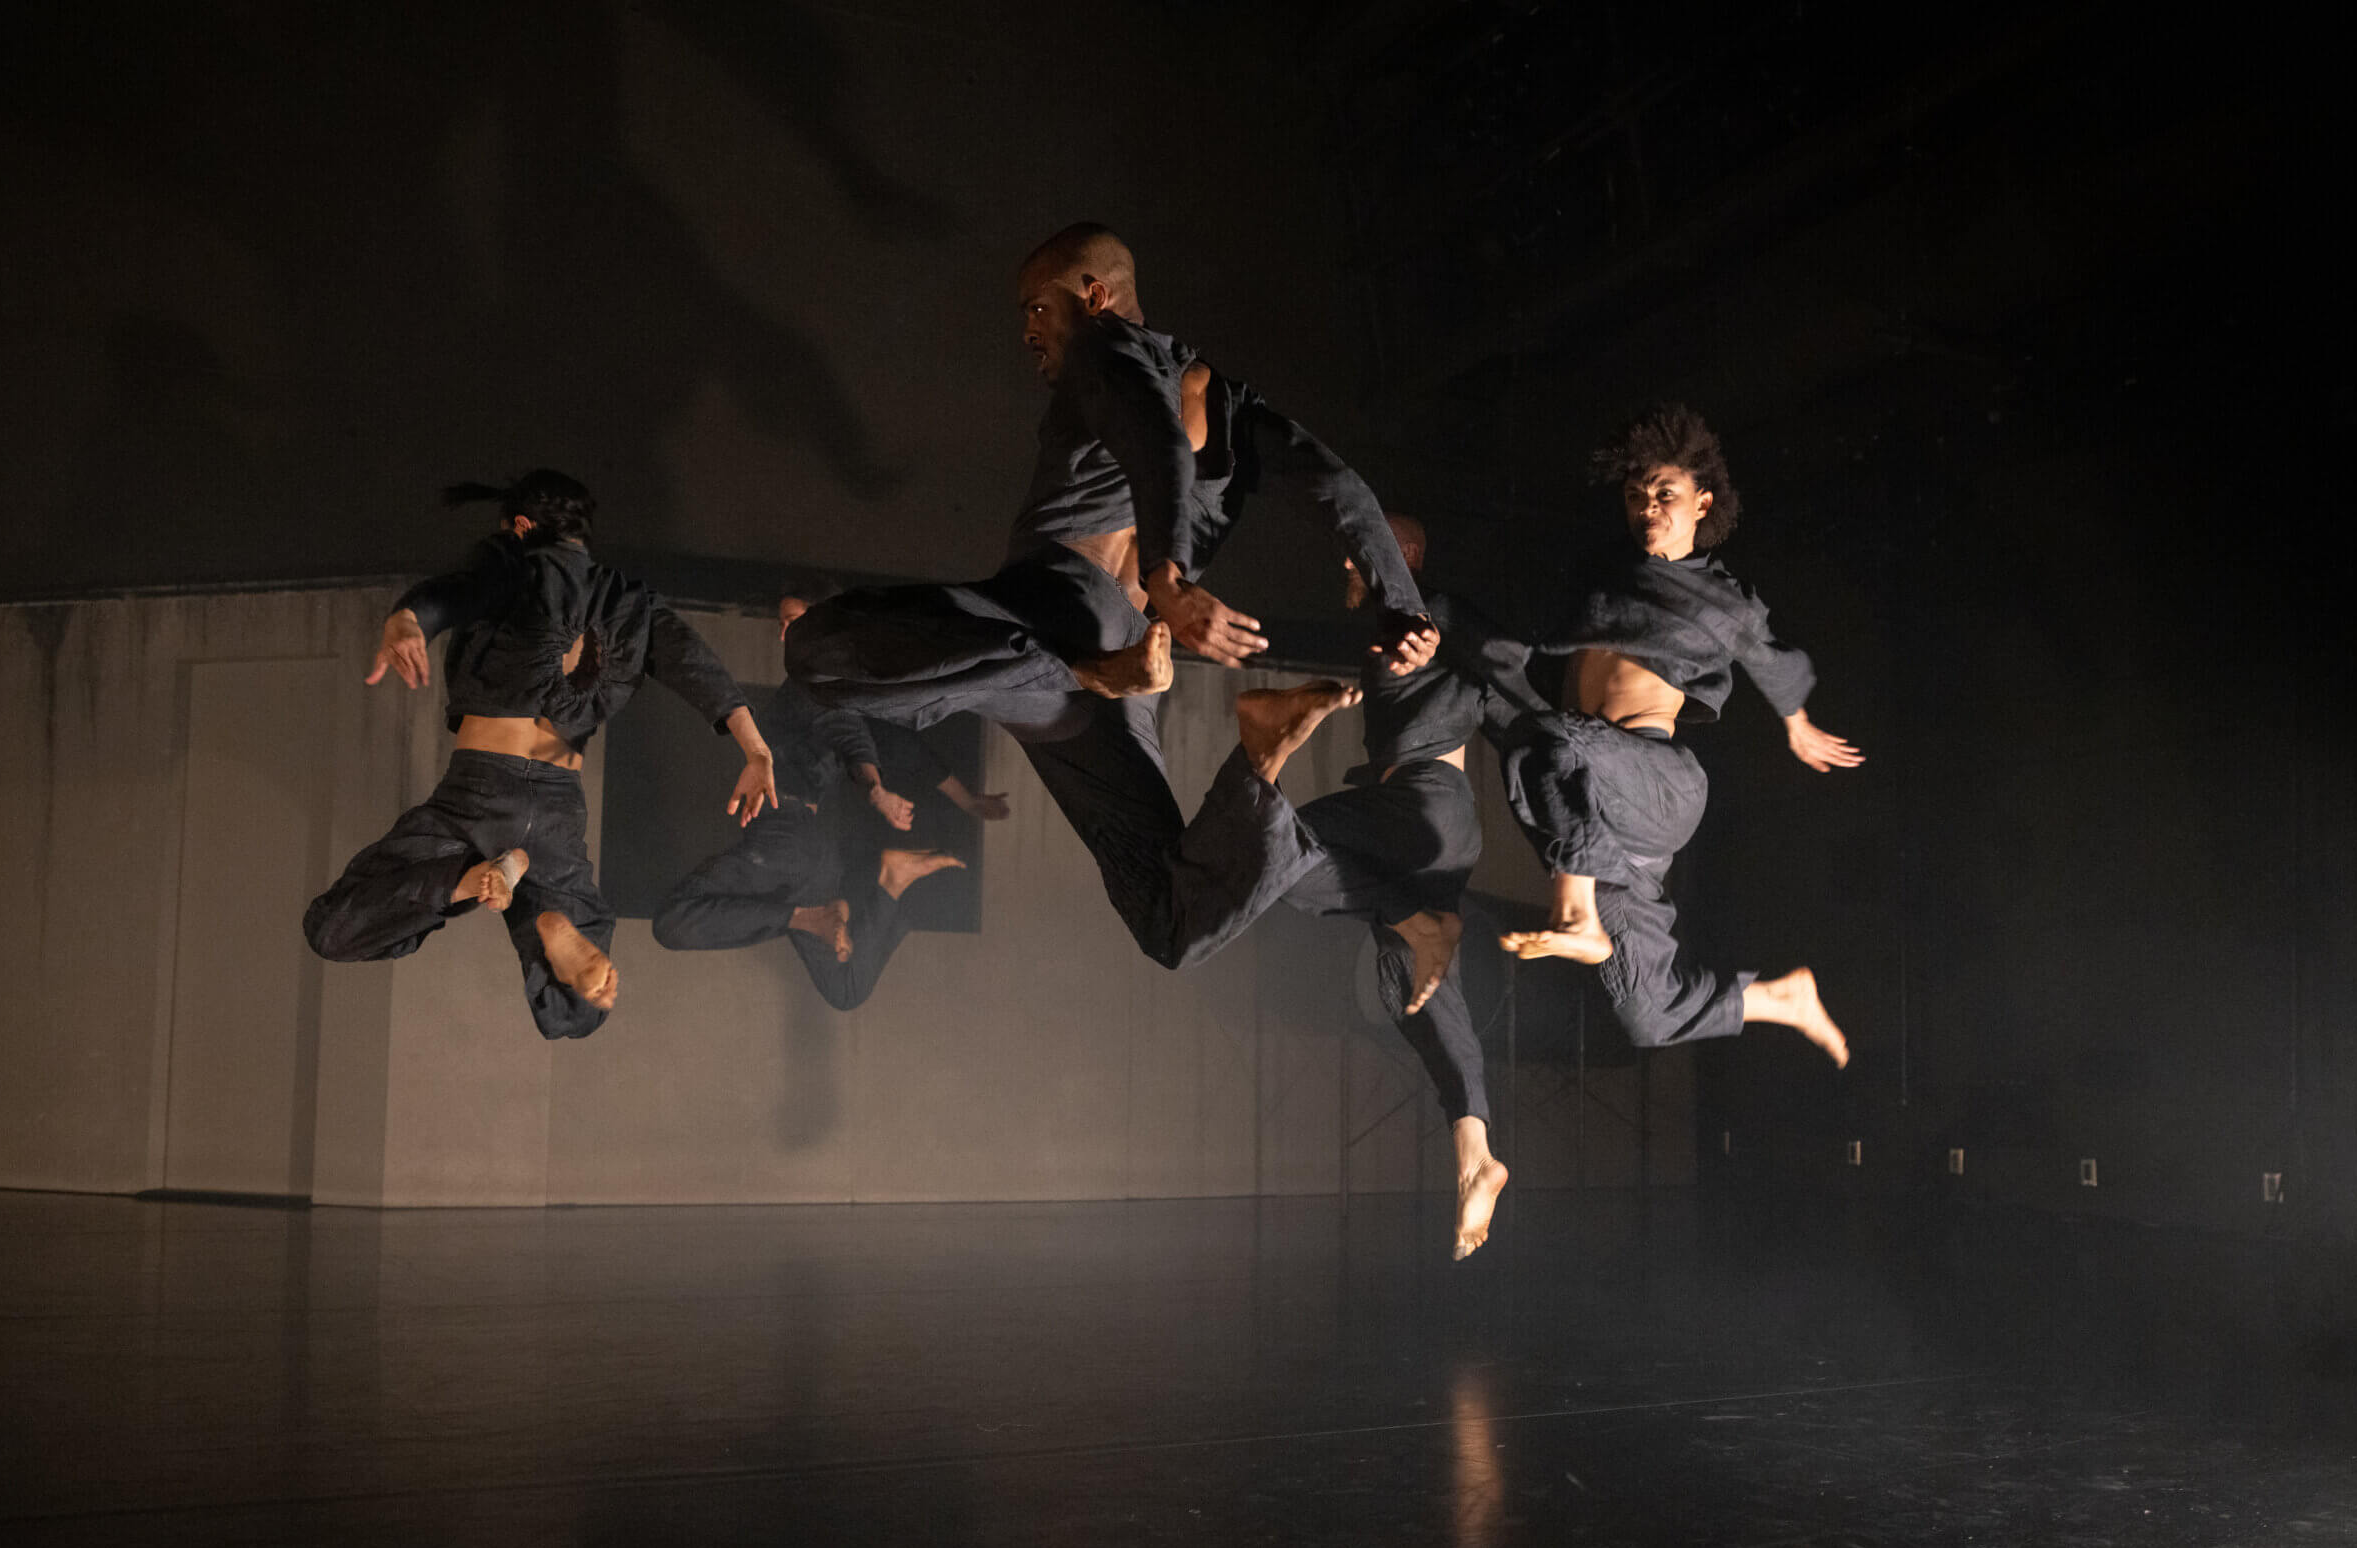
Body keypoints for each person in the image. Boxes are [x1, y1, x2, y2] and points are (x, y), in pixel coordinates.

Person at [783, 223, 1437, 970]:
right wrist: (1400, 599)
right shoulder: (1234, 408)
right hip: (1123, 658)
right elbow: (1339, 487)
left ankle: (1081, 670)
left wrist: (1168, 574)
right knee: (1168, 919)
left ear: (1093, 297)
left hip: (1056, 606)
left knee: (813, 651)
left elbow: (1153, 437)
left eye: (1036, 309)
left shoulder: (1102, 346)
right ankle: (1257, 761)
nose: (1028, 332)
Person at [302, 470, 773, 1039]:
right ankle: (548, 916)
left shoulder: (513, 563)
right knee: (581, 1009)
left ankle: (467, 879)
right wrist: (756, 750)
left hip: (479, 788)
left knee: (333, 929)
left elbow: (459, 591)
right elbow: (696, 665)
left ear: (521, 527)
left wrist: (408, 620)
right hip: (557, 806)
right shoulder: (632, 600)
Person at [1497, 406, 1859, 1064]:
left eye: (1665, 493)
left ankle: (1575, 908)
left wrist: (1797, 723)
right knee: (1647, 1014)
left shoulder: (1722, 601)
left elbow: (1770, 656)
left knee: (1546, 738)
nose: (1647, 508)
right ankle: (1783, 1000)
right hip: (1601, 815)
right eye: (1636, 497)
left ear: (1703, 502)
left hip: (1658, 785)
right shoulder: (1601, 578)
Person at [1280, 516, 1549, 1258]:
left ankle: (1416, 920)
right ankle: (1475, 1152)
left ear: (1409, 558)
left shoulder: (1443, 615)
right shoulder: (1403, 638)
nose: (1345, 558)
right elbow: (1494, 699)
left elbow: (1512, 672)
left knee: (1275, 842)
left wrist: (1565, 744)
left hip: (1422, 802)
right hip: (1441, 821)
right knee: (1418, 991)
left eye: (1363, 549)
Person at [650, 597, 1011, 1009]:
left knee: (673, 923)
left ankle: (828, 907)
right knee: (846, 990)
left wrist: (878, 792)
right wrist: (964, 800)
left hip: (785, 842)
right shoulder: (840, 691)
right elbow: (884, 742)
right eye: (782, 622)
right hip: (811, 851)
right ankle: (889, 883)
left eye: (795, 621)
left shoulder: (815, 685)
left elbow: (856, 736)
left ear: (825, 625)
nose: (784, 632)